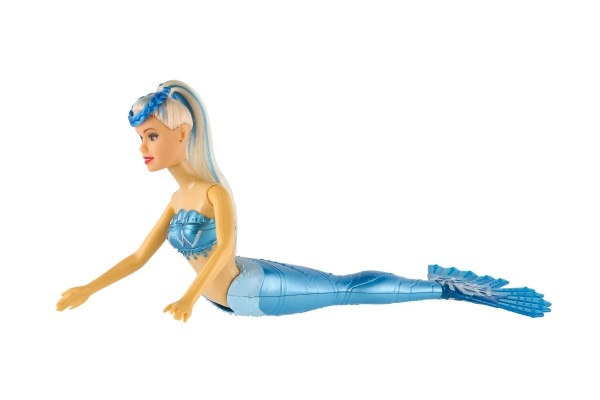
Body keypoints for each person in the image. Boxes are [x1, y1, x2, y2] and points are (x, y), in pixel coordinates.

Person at [56, 80, 552, 322]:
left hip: (251, 290)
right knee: (339, 283)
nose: (143, 149)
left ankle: (445, 290)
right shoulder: (177, 197)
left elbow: (222, 251)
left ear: (181, 134)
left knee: (342, 289)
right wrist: (89, 288)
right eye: (141, 138)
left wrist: (189, 297)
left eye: (151, 136)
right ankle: (438, 286)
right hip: (232, 293)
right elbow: (138, 257)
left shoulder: (213, 193)